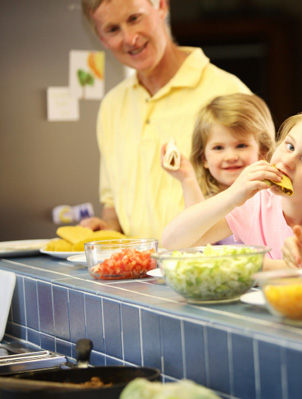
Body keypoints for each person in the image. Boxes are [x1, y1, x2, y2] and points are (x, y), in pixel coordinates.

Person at [79, 0, 250, 243]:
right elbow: (112, 204)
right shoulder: (111, 106)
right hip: (136, 272)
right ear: (101, 37)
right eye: (113, 29)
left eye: (134, 18)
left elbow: (260, 196)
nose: (129, 38)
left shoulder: (227, 92)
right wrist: (106, 226)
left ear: (161, 7)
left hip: (209, 269)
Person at [162, 106, 302, 271]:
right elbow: (173, 241)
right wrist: (232, 195)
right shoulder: (258, 204)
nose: (287, 161)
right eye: (290, 146)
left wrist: (264, 267)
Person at [161, 93, 276, 244]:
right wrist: (187, 178)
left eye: (241, 145)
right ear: (204, 159)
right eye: (218, 148)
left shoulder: (267, 198)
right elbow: (194, 239)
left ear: (262, 152)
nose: (230, 156)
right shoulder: (211, 200)